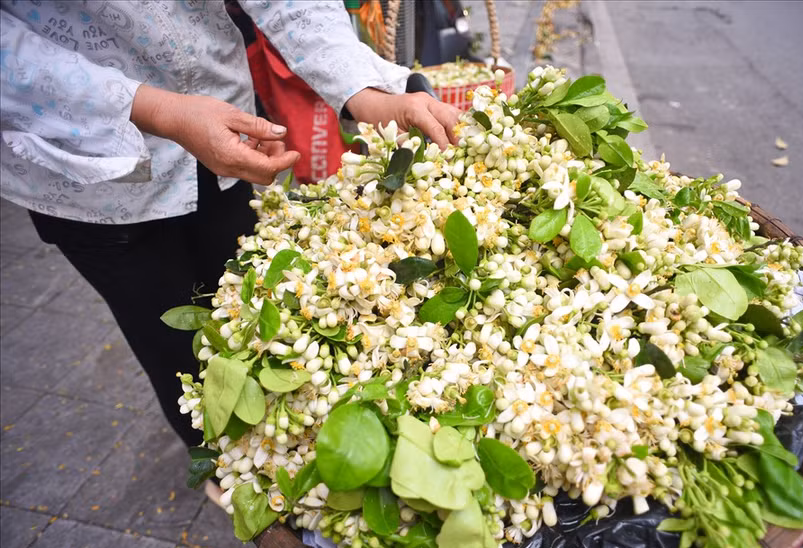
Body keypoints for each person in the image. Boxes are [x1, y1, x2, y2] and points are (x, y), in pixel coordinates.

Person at [0, 1, 461, 450]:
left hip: (226, 124)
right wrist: (158, 110)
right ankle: (222, 459)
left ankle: (277, 445)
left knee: (260, 315)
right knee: (176, 350)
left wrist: (367, 93)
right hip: (95, 172)